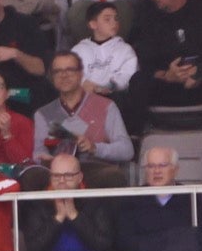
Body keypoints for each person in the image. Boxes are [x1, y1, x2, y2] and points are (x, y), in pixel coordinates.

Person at [33, 51, 134, 185]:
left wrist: (95, 148)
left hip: (93, 168)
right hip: (58, 173)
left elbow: (127, 150)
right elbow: (38, 151)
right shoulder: (43, 113)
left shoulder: (106, 106)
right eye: (58, 71)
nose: (64, 75)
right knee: (33, 177)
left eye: (70, 70)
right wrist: (46, 158)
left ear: (81, 73)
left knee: (112, 176)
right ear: (52, 77)